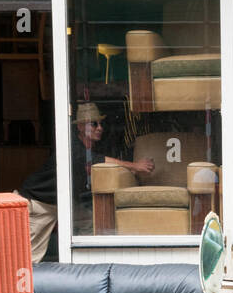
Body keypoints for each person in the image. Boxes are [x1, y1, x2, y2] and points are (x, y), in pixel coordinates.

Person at [18, 102, 155, 260]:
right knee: (30, 258)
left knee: (89, 222)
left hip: (63, 204)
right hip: (39, 204)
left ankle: (88, 267)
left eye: (101, 124)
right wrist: (135, 166)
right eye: (94, 124)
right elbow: (99, 160)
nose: (100, 128)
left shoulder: (87, 149)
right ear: (81, 127)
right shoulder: (73, 147)